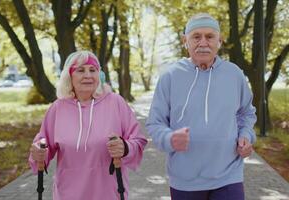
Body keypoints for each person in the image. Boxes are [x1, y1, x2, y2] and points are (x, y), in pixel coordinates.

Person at [146, 13, 256, 200]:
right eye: (196, 37)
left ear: (219, 41)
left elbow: (246, 113)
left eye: (210, 36)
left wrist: (246, 136)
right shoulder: (170, 76)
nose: (203, 42)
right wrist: (169, 138)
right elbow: (155, 123)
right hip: (184, 179)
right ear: (185, 41)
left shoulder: (234, 74)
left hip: (229, 175)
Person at [29, 50, 147, 200]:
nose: (88, 75)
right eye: (80, 70)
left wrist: (125, 148)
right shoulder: (58, 108)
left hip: (109, 193)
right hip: (67, 194)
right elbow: (42, 146)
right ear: (69, 76)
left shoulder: (115, 102)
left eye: (93, 70)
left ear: (99, 75)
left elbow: (138, 140)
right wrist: (38, 152)